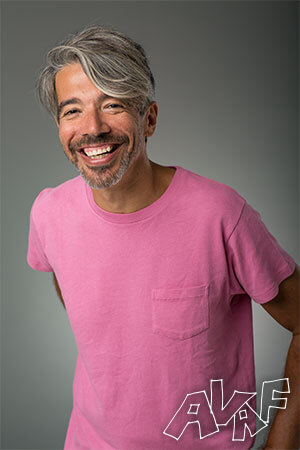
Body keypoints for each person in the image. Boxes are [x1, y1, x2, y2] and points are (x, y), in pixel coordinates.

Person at [27, 26, 299, 450]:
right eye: (72, 111)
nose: (93, 128)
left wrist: (282, 444)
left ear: (148, 118)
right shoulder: (47, 212)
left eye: (113, 104)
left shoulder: (221, 216)